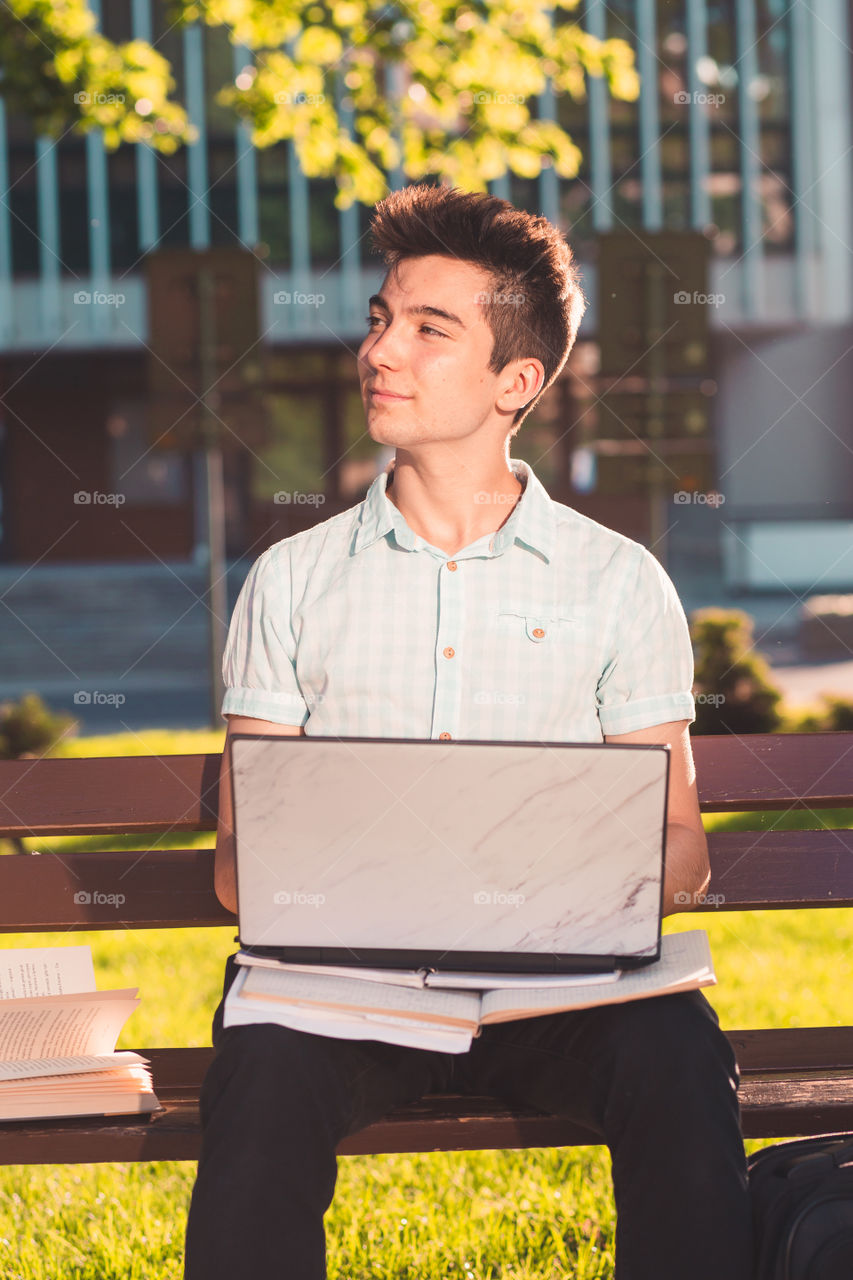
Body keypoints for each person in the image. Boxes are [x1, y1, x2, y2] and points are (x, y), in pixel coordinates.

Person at [184, 183, 752, 1280]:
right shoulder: (293, 581)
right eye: (379, 318)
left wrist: (559, 889)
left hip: (563, 998)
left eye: (427, 328)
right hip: (340, 996)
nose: (380, 349)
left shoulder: (619, 582)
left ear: (517, 382)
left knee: (679, 1057)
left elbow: (681, 849)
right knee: (258, 1085)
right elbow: (237, 866)